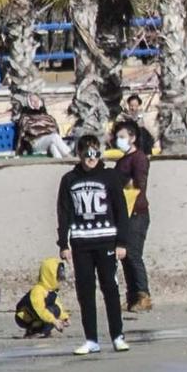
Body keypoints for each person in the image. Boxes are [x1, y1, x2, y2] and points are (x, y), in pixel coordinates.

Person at [57, 135, 131, 356]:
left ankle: (117, 336)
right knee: (85, 291)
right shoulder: (69, 179)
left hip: (107, 241)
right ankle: (91, 339)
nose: (92, 158)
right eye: (87, 153)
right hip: (81, 244)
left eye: (96, 153)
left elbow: (121, 210)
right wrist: (64, 244)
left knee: (110, 287)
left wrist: (122, 242)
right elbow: (64, 213)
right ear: (79, 154)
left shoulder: (110, 177)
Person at [112, 120, 152, 312]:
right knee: (125, 256)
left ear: (132, 138)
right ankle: (131, 297)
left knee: (134, 254)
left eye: (122, 137)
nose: (118, 140)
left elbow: (138, 185)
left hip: (137, 213)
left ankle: (143, 295)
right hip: (123, 214)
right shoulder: (121, 160)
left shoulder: (139, 158)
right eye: (117, 137)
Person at [14, 257, 69, 338]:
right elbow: (40, 310)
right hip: (25, 317)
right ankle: (34, 330)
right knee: (51, 311)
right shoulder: (38, 290)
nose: (60, 279)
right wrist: (54, 321)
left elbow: (58, 306)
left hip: (38, 316)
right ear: (50, 274)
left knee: (55, 309)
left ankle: (43, 330)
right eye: (58, 275)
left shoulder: (52, 292)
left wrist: (64, 318)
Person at [17, 94, 71, 159]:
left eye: (37, 100)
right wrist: (20, 150)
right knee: (54, 137)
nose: (36, 103)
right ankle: (68, 155)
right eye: (33, 101)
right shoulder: (26, 118)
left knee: (53, 146)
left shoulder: (48, 117)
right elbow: (22, 135)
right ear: (29, 103)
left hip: (48, 141)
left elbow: (56, 130)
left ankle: (60, 162)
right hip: (35, 142)